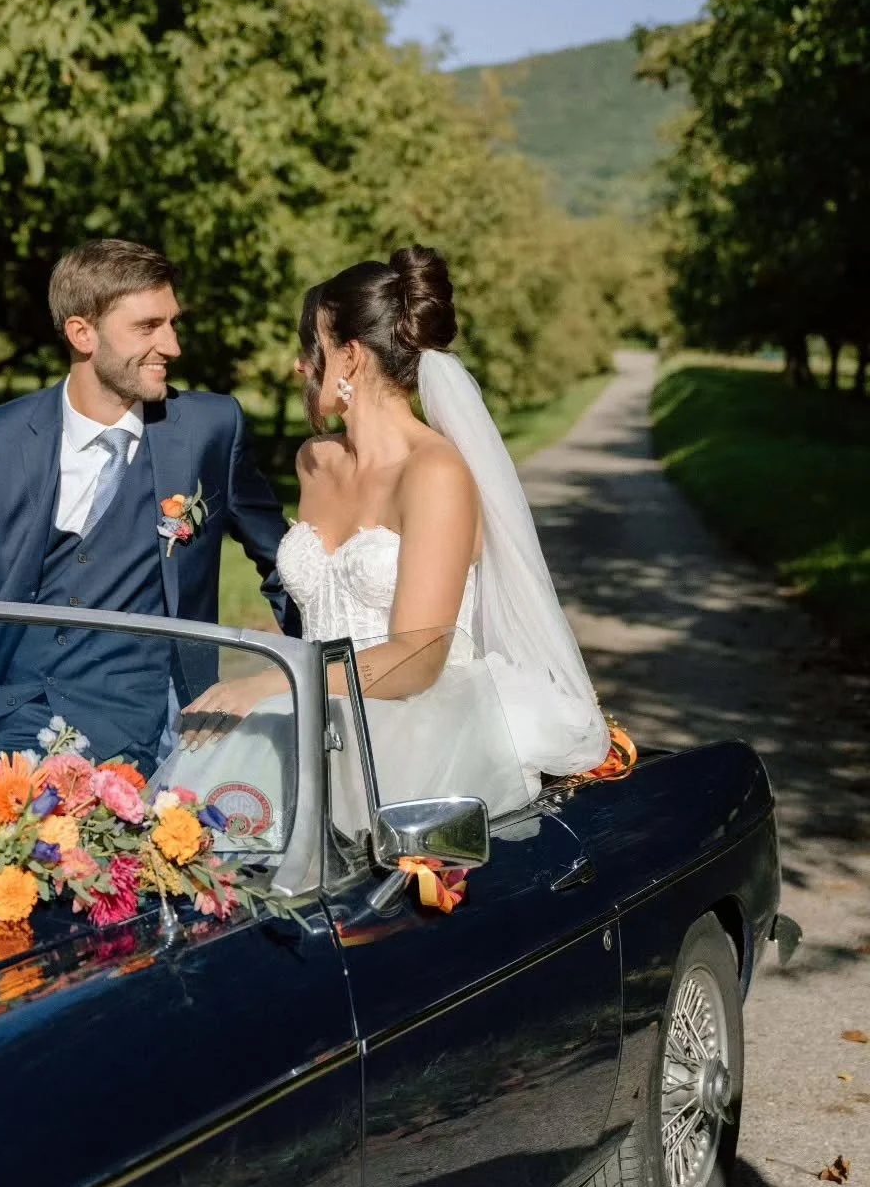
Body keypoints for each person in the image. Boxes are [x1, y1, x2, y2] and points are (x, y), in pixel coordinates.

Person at [175, 245, 610, 819]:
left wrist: (272, 687)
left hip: (415, 734)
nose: (299, 368)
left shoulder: (435, 472)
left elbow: (419, 656)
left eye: (313, 350)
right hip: (312, 718)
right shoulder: (315, 462)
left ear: (350, 358)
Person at [0, 239, 297, 776]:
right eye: (148, 327)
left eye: (172, 324)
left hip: (122, 738)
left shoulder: (208, 432)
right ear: (82, 333)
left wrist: (332, 675)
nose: (171, 346)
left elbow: (287, 570)